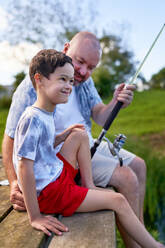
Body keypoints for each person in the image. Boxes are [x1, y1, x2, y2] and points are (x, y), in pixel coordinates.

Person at [2, 32, 146, 246]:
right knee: (127, 178)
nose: (83, 72)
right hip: (64, 156)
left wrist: (116, 102)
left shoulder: (84, 81)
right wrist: (15, 183)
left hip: (85, 140)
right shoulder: (32, 88)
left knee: (140, 165)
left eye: (91, 67)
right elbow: (10, 139)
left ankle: (140, 230)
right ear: (66, 48)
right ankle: (139, 244)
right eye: (80, 62)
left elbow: (99, 115)